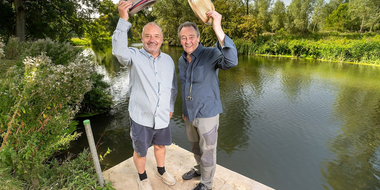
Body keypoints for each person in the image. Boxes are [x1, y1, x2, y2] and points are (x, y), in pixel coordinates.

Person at [112, 1, 178, 190]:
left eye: (156, 36)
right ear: (142, 38)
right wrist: (123, 19)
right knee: (141, 151)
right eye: (148, 36)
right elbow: (118, 50)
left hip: (163, 116)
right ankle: (142, 177)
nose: (152, 39)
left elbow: (172, 88)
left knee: (160, 146)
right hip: (141, 117)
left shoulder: (168, 61)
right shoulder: (133, 56)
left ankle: (161, 170)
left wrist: (171, 108)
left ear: (162, 39)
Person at [177, 11, 238, 190]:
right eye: (183, 38)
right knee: (195, 147)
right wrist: (184, 110)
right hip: (189, 114)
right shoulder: (181, 60)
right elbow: (184, 86)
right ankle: (198, 170)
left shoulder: (210, 54)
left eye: (191, 37)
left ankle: (206, 184)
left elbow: (231, 61)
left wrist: (218, 28)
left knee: (208, 151)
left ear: (198, 37)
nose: (187, 41)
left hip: (207, 114)